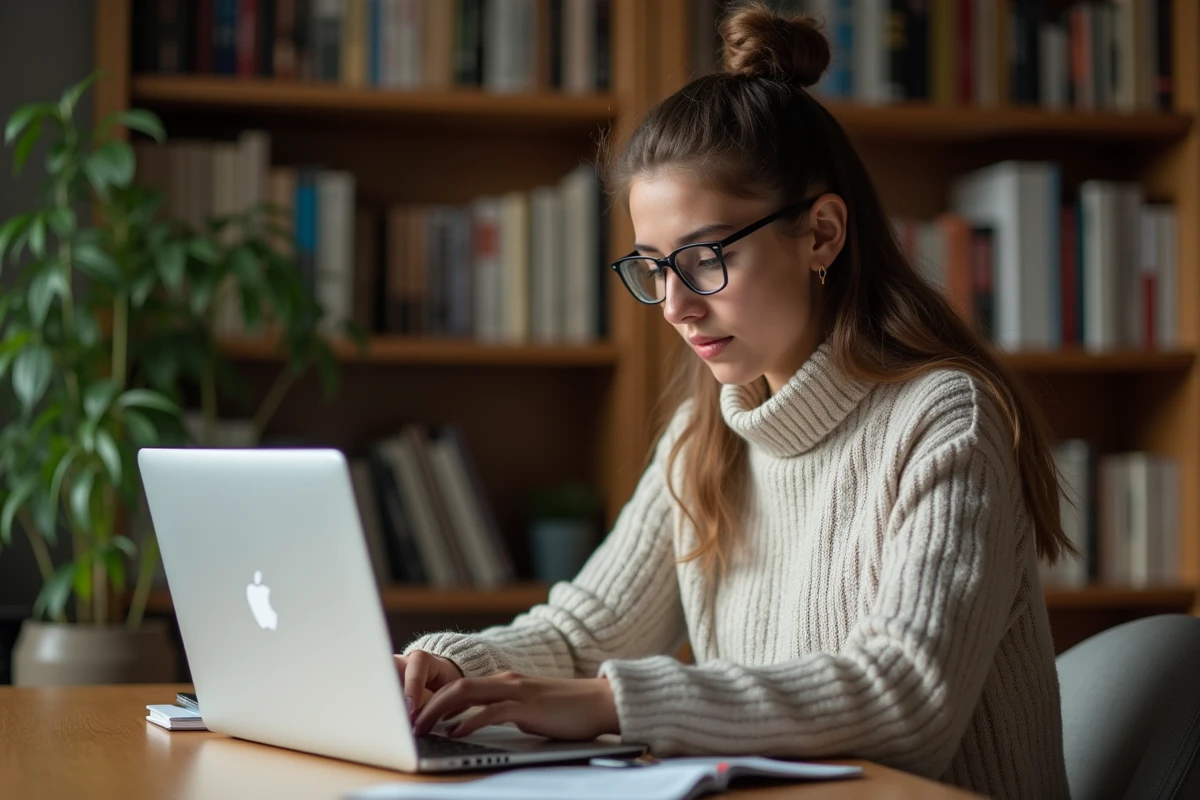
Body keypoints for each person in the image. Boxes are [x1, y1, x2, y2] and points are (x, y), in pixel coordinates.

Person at [395, 2, 1072, 796]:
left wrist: (618, 703)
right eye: (654, 267)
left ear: (821, 233)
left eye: (705, 258)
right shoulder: (704, 435)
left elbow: (907, 698)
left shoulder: (945, 418)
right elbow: (584, 635)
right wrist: (445, 666)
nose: (677, 306)